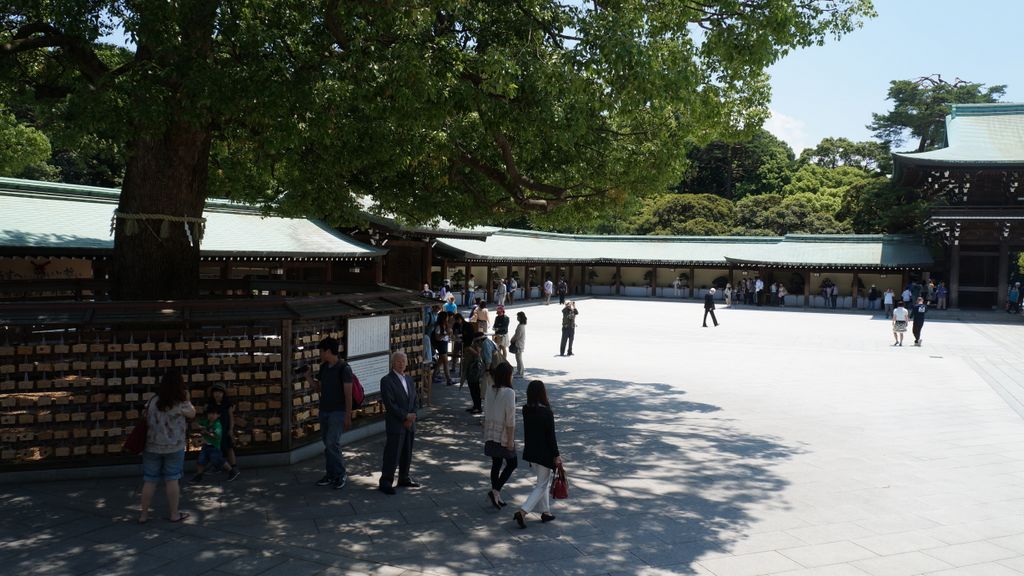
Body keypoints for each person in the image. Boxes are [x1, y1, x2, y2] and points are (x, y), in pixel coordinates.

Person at [139, 369, 196, 524]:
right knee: (172, 480)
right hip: (174, 447)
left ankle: (143, 515)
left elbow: (144, 416)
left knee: (149, 480)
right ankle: (174, 514)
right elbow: (192, 414)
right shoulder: (180, 402)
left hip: (151, 446)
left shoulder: (152, 401)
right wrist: (187, 398)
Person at [514, 379, 561, 529]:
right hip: (544, 453)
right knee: (541, 484)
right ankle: (523, 511)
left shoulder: (526, 409)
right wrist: (557, 455)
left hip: (531, 451)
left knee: (542, 482)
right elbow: (551, 437)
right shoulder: (547, 412)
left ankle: (546, 512)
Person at [308, 336, 353, 490]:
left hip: (338, 412)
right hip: (325, 410)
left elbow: (348, 394)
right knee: (328, 444)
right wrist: (307, 377)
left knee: (332, 442)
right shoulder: (323, 367)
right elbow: (318, 388)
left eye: (321, 351)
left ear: (328, 351)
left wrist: (348, 415)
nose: (319, 354)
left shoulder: (344, 368)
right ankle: (331, 474)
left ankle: (340, 474)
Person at [379, 351, 420, 495]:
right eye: (398, 361)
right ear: (393, 363)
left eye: (403, 361)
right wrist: (405, 417)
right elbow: (390, 404)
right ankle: (386, 481)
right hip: (396, 423)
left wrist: (412, 416)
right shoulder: (386, 380)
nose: (401, 364)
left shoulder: (409, 379)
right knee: (392, 453)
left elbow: (415, 399)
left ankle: (404, 477)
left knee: (407, 453)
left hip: (410, 423)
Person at [484, 362, 517, 509]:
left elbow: (486, 409)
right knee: (512, 463)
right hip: (503, 434)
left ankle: (496, 494)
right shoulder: (509, 393)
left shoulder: (490, 389)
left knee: (496, 464)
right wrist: (510, 440)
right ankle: (496, 490)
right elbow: (510, 419)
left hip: (491, 432)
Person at [190, 406, 234, 483]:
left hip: (214, 447)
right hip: (205, 446)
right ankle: (198, 476)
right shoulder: (206, 422)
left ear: (218, 415)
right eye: (210, 413)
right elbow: (195, 424)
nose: (211, 415)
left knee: (219, 460)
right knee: (201, 460)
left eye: (214, 414)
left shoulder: (217, 425)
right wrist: (199, 426)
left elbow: (217, 436)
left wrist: (206, 432)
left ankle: (231, 471)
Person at [205, 382, 239, 480]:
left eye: (220, 392)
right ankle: (218, 466)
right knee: (216, 448)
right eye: (215, 392)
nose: (217, 394)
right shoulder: (211, 405)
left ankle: (234, 467)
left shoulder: (227, 405)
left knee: (229, 448)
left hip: (225, 429)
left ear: (224, 394)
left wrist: (231, 429)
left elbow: (231, 417)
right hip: (216, 430)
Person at [432, 310, 454, 386]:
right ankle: (449, 379)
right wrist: (446, 334)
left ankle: (433, 377)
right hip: (441, 344)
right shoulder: (439, 326)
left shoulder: (445, 325)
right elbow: (437, 338)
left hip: (444, 344)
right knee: (445, 362)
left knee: (440, 362)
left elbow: (449, 332)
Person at [510, 311, 527, 378]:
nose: (517, 318)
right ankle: (519, 371)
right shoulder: (521, 325)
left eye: (518, 316)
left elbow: (517, 335)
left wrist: (512, 340)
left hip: (519, 344)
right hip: (520, 343)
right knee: (518, 358)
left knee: (519, 358)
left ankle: (520, 372)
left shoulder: (520, 326)